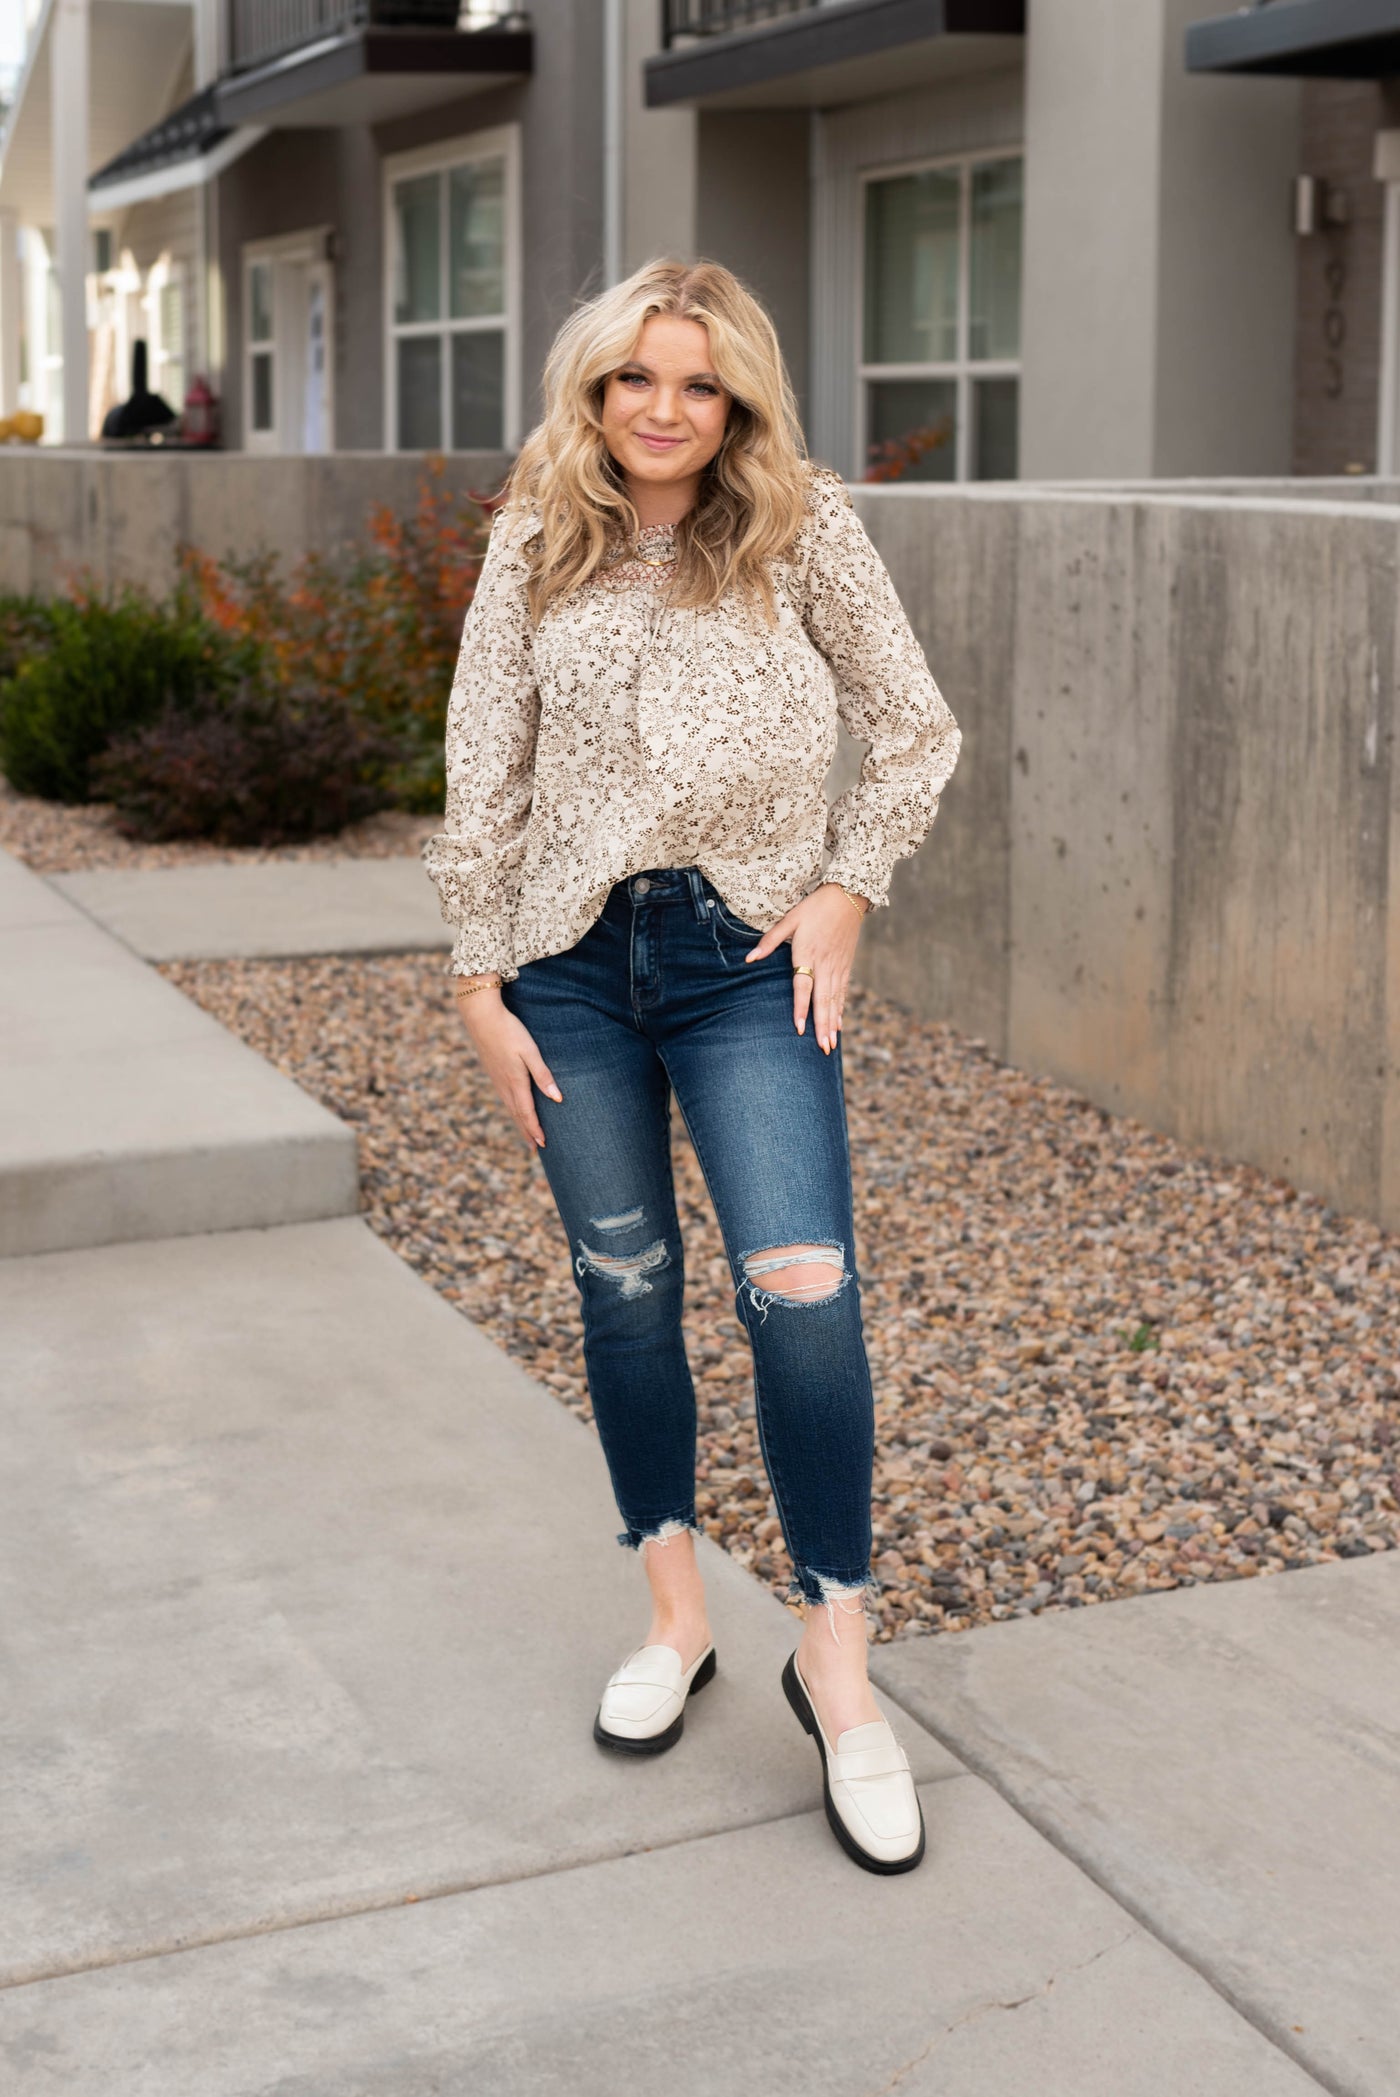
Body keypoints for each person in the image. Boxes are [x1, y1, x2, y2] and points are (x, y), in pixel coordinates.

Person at [423, 257, 961, 1875]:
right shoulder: (535, 539)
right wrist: (474, 981)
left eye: (699, 383)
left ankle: (836, 1661)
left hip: (744, 963)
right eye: (634, 379)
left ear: (739, 401)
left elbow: (916, 725)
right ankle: (677, 1613)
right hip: (569, 966)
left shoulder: (805, 528)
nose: (664, 409)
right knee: (625, 1280)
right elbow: (481, 764)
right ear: (593, 390)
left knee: (803, 1283)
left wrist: (845, 891)